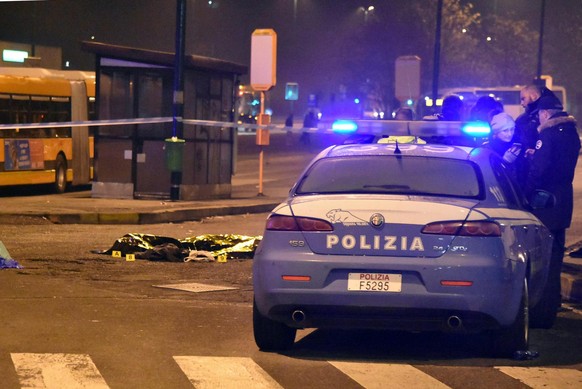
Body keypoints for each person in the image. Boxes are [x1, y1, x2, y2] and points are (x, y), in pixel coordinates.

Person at [525, 94, 581, 328]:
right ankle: (552, 305)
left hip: (545, 202)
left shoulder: (548, 134)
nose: (538, 118)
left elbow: (540, 170)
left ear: (545, 113)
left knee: (543, 260)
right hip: (563, 202)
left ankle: (541, 310)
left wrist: (526, 191)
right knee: (555, 257)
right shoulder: (571, 134)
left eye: (539, 114)